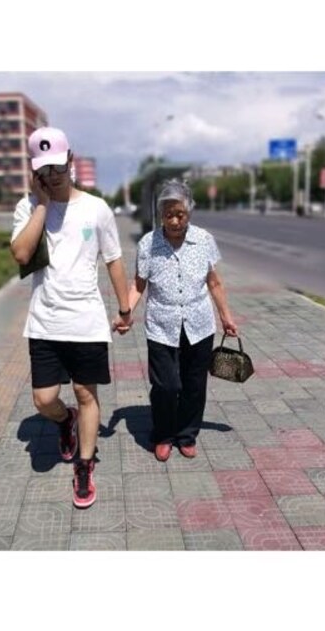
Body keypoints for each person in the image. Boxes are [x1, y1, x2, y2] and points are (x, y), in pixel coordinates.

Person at [10, 126, 132, 508]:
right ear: (34, 170)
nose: (53, 175)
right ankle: (66, 421)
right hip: (45, 320)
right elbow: (21, 254)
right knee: (43, 399)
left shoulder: (96, 208)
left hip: (86, 320)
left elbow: (113, 259)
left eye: (58, 167)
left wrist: (124, 308)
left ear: (70, 159)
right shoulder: (28, 207)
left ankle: (84, 464)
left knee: (85, 392)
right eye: (44, 170)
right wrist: (42, 205)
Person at [113, 179, 237, 461]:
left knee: (194, 384)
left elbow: (214, 282)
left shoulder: (203, 240)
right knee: (166, 386)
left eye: (180, 214)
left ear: (189, 212)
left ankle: (186, 434)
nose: (174, 220)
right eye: (168, 214)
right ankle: (163, 434)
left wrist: (226, 317)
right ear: (160, 214)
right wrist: (125, 313)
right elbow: (139, 285)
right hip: (161, 325)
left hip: (199, 324)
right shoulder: (149, 243)